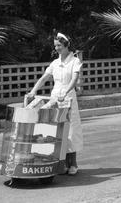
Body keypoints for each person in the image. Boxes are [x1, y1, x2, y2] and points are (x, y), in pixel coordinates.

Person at [27, 32, 84, 175]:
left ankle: (74, 164)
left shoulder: (74, 61)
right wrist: (33, 91)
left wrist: (66, 91)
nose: (56, 48)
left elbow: (74, 79)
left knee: (70, 131)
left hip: (68, 99)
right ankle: (61, 163)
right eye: (55, 46)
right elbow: (44, 78)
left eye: (59, 45)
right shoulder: (55, 63)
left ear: (66, 45)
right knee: (55, 131)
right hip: (55, 99)